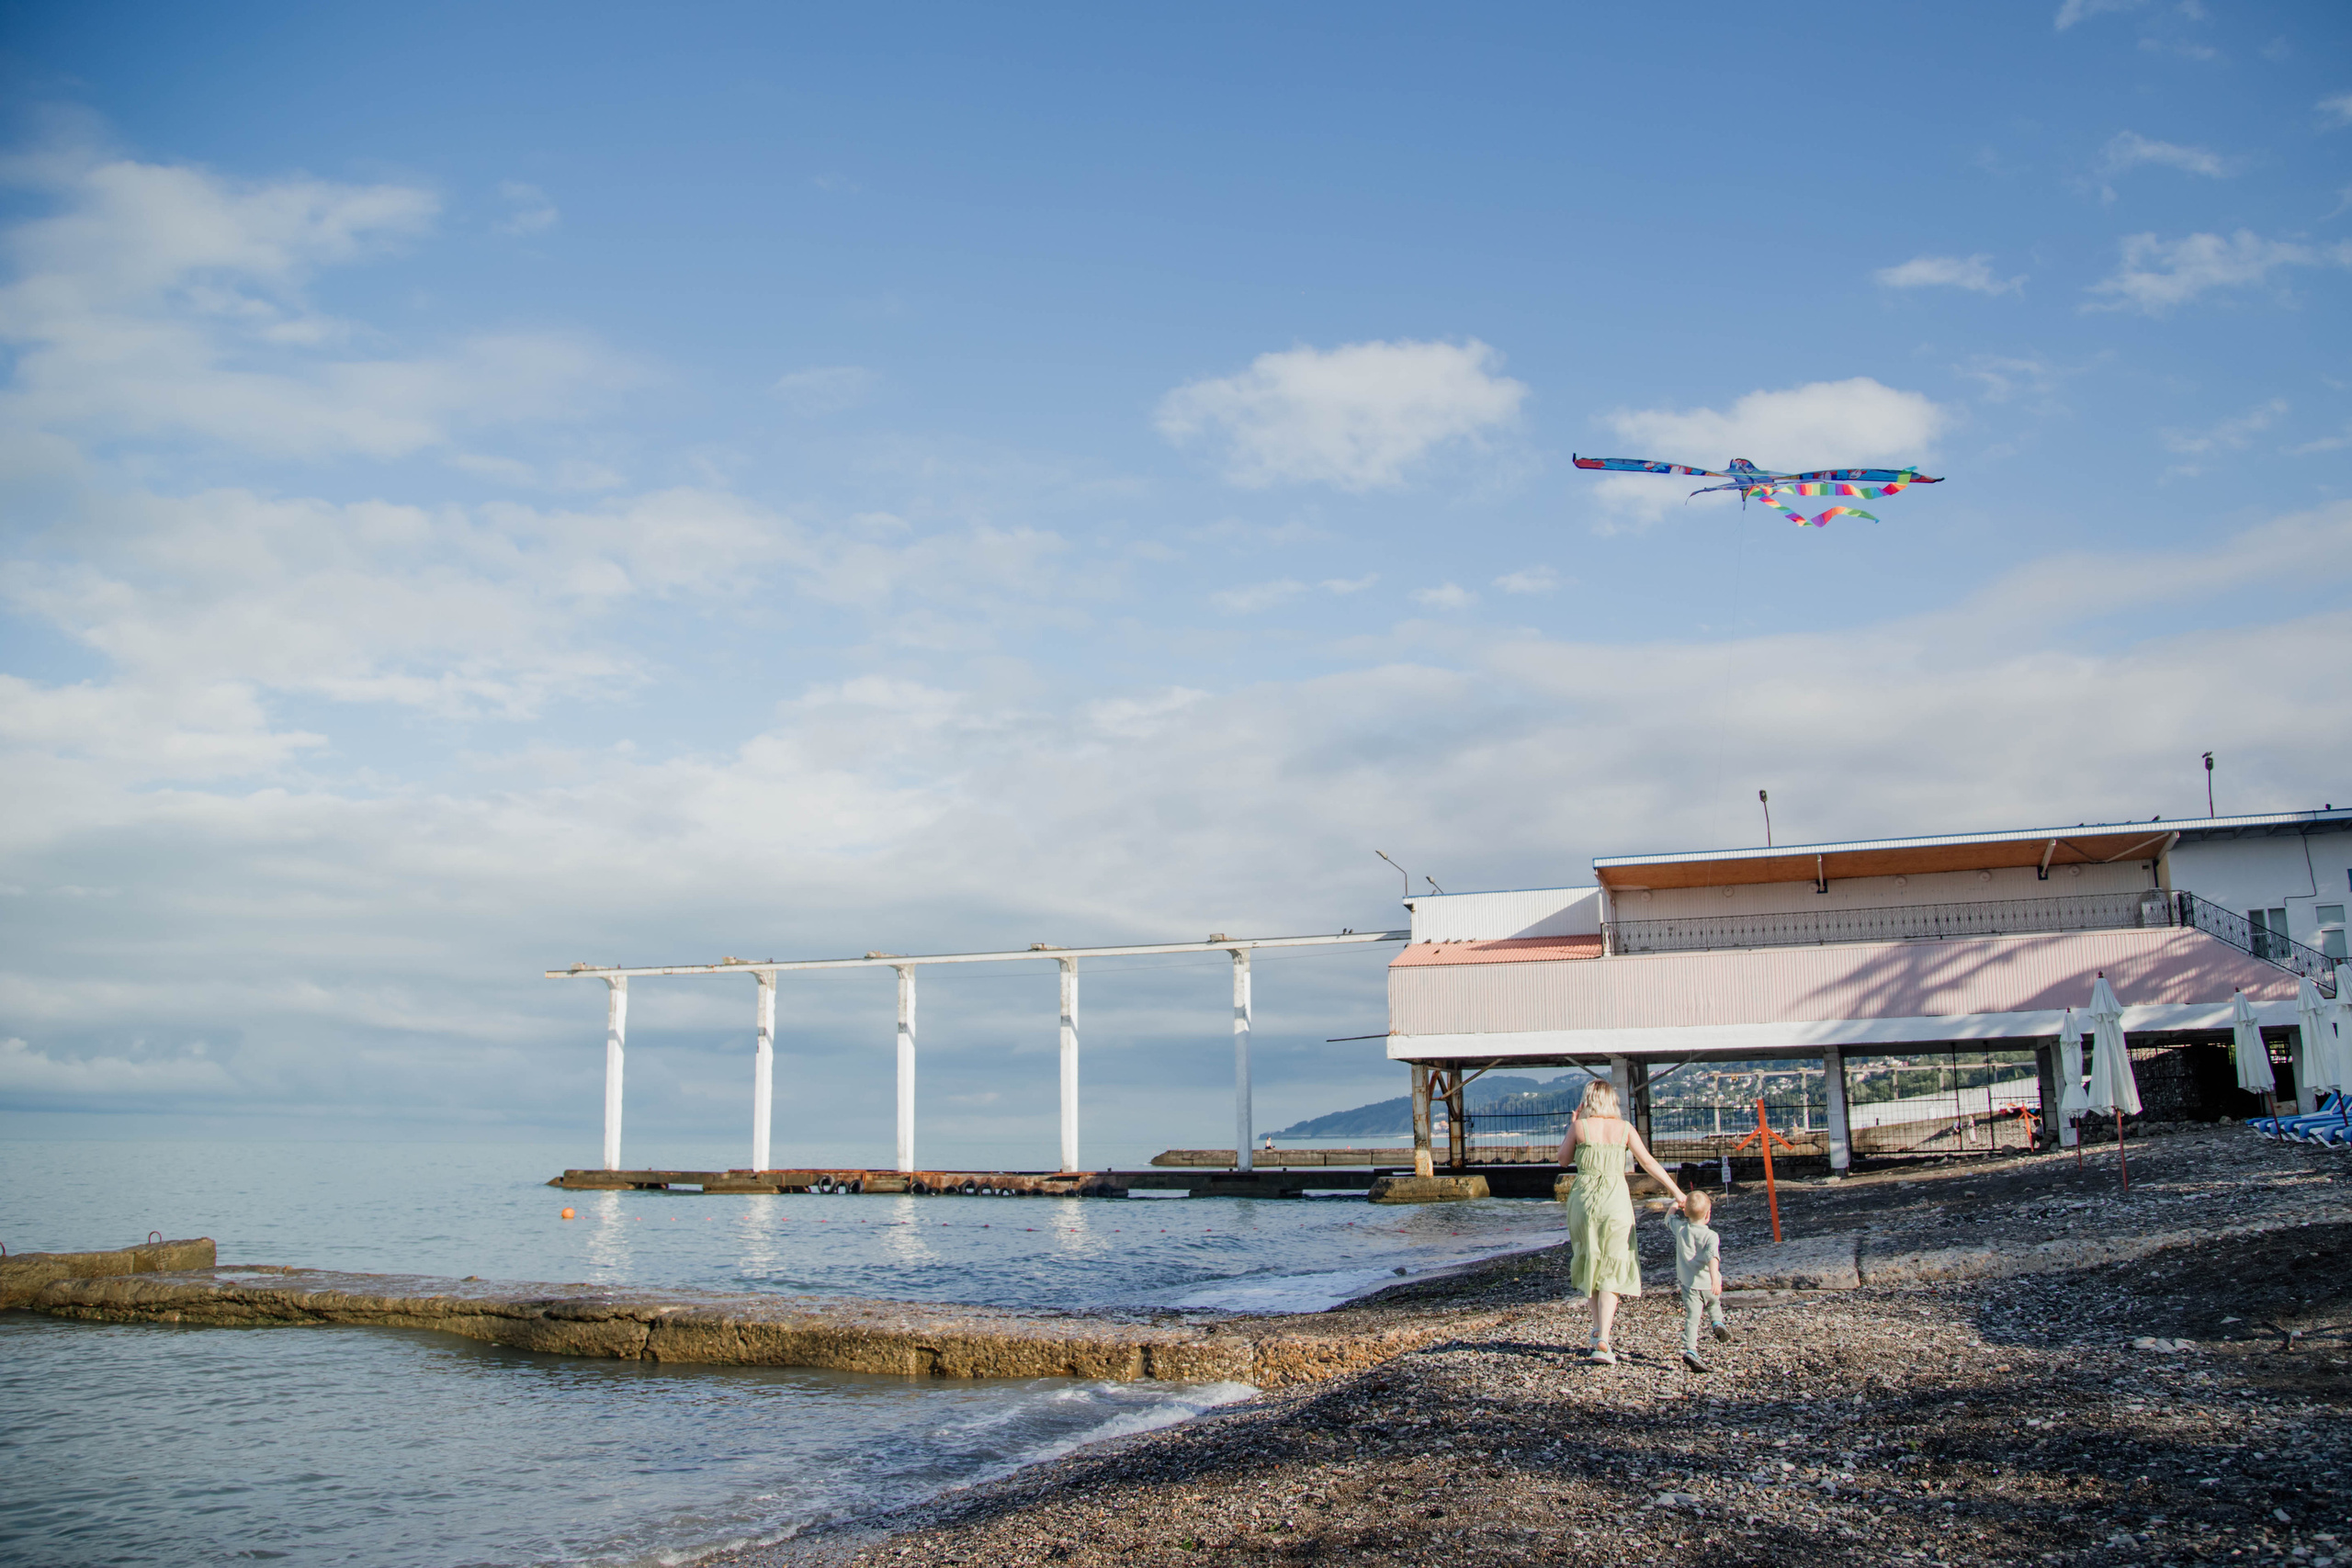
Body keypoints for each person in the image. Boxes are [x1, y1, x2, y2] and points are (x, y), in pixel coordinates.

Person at [1558, 1077, 1684, 1365]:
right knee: (1613, 1263)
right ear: (1612, 1101)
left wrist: (1573, 1124)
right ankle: (1603, 1338)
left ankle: (1597, 1330)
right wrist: (1676, 1192)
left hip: (1585, 1199)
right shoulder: (1625, 1128)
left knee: (1590, 1258)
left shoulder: (1581, 1127)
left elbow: (1563, 1160)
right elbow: (1648, 1162)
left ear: (1588, 1100)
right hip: (1615, 1199)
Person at [1666, 1189, 1731, 1372]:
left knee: (1693, 1319)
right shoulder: (1711, 1236)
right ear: (1708, 1215)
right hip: (1709, 1285)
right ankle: (1717, 1323)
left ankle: (1691, 1350)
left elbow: (1668, 1219)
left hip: (1690, 1286)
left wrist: (1674, 1205)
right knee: (1713, 1305)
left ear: (1685, 1212)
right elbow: (1712, 1257)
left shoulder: (1681, 1229)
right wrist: (1714, 1279)